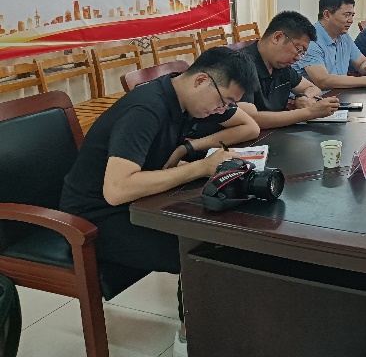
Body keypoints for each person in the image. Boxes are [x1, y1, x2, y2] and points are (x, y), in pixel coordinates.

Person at [59, 47, 262, 356]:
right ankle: (192, 339)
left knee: (225, 220)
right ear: (201, 81)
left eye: (229, 105)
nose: (222, 111)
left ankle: (221, 322)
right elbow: (117, 190)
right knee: (205, 245)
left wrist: (186, 154)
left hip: (138, 201)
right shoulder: (146, 109)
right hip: (94, 219)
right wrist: (200, 167)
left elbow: (247, 125)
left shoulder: (183, 96)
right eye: (223, 102)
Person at [238, 11, 341, 128]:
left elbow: (312, 88)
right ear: (277, 37)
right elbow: (249, 118)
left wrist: (303, 97)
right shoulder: (240, 65)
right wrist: (310, 112)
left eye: (302, 53)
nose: (298, 58)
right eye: (298, 49)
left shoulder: (282, 66)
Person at [293, 0, 366, 90]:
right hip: (318, 97)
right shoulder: (310, 40)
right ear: (327, 15)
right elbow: (322, 81)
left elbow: (361, 62)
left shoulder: (344, 37)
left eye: (352, 15)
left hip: (341, 92)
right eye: (346, 15)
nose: (351, 20)